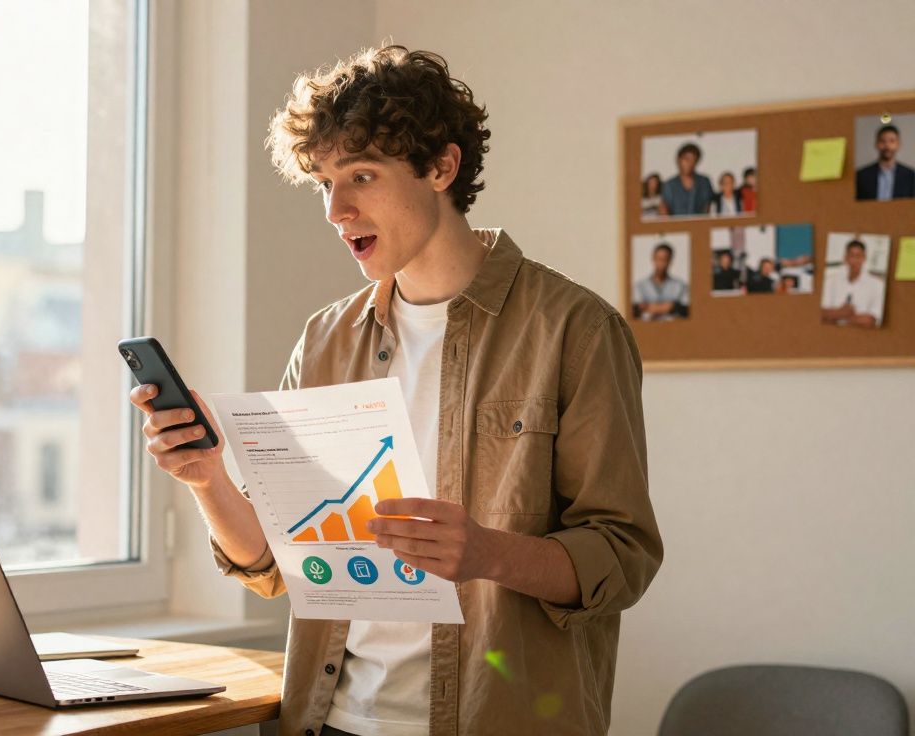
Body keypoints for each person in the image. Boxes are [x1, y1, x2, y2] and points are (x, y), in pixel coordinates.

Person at [129, 45, 662, 735]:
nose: (336, 209)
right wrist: (206, 479)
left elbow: (622, 559)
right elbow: (278, 563)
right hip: (330, 722)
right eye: (324, 182)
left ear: (442, 167)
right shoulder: (324, 340)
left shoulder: (575, 329)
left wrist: (487, 554)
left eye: (361, 175)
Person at [821, 239, 886, 327]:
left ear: (864, 258)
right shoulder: (831, 282)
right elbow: (821, 313)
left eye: (858, 256)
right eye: (851, 256)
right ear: (845, 258)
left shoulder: (877, 285)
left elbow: (871, 320)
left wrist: (837, 316)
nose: (855, 260)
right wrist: (841, 313)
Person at [856, 124, 915, 201]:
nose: (887, 145)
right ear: (876, 144)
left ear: (898, 144)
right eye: (882, 141)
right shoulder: (860, 176)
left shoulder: (911, 176)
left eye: (892, 141)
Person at [632, 242, 689, 319]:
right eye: (659, 259)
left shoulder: (680, 285)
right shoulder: (640, 285)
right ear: (653, 259)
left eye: (665, 259)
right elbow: (636, 309)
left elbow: (685, 310)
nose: (661, 263)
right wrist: (668, 307)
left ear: (670, 261)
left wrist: (650, 307)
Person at [660, 142, 715, 216]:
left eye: (694, 160)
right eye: (686, 159)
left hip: (700, 225)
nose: (690, 163)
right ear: (678, 160)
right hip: (677, 226)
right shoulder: (669, 185)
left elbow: (709, 207)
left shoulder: (704, 182)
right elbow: (664, 211)